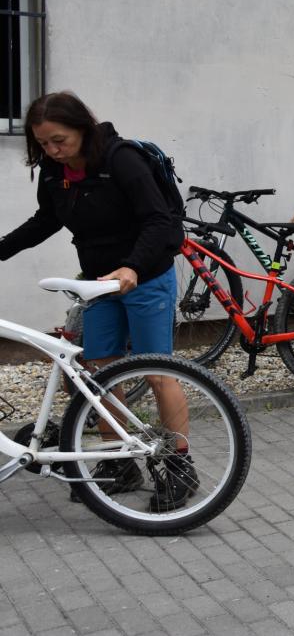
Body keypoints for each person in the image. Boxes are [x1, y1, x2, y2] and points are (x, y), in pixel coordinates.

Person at [0, 91, 194, 510]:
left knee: (158, 371)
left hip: (145, 277)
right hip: (97, 282)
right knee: (99, 373)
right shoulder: (53, 170)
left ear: (82, 130)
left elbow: (159, 220)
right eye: (43, 144)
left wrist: (132, 267)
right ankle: (118, 463)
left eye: (60, 141)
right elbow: (46, 220)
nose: (53, 151)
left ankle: (179, 466)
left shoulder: (122, 160)